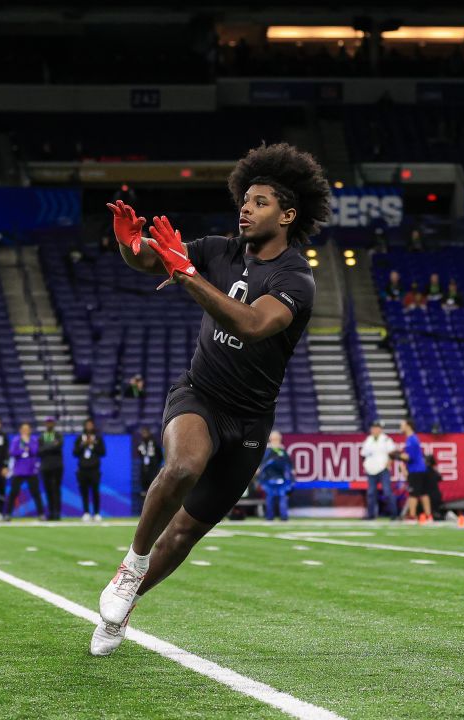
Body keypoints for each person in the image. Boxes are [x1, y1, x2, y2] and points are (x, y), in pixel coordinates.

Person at [92, 142, 325, 656]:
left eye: (260, 201)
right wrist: (131, 247)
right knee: (182, 467)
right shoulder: (219, 250)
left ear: (287, 214)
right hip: (199, 394)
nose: (245, 206)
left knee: (182, 537)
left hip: (249, 421)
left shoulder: (295, 279)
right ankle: (129, 566)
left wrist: (185, 274)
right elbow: (155, 261)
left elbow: (252, 323)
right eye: (244, 198)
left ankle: (124, 607)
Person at [6, 422, 44, 520]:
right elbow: (12, 452)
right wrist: (23, 450)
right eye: (24, 429)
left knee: (36, 492)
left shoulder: (34, 440)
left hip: (31, 470)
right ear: (20, 430)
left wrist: (27, 444)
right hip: (19, 470)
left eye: (27, 429)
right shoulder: (16, 440)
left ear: (30, 430)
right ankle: (8, 514)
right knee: (13, 492)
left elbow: (35, 451)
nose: (25, 431)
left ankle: (41, 514)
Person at [395, 419, 431, 523]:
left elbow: (409, 457)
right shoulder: (414, 438)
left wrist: (397, 456)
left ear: (408, 426)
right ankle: (428, 515)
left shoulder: (411, 439)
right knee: (424, 493)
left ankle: (412, 515)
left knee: (413, 493)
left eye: (402, 425)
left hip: (415, 470)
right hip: (421, 468)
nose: (401, 427)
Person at [360, 420, 397, 520]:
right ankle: (371, 515)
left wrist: (388, 463)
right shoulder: (368, 440)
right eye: (373, 428)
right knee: (371, 493)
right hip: (371, 470)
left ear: (380, 429)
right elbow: (363, 454)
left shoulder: (386, 440)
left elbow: (392, 453)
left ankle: (394, 514)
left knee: (387, 491)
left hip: (383, 469)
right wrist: (365, 466)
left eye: (376, 428)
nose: (374, 430)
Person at [255, 431, 294, 521]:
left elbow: (288, 464)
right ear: (271, 439)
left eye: (277, 438)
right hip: (268, 478)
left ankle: (284, 517)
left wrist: (291, 471)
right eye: (274, 438)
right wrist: (259, 470)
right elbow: (262, 462)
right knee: (270, 497)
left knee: (282, 496)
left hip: (281, 479)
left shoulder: (282, 450)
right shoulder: (267, 450)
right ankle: (269, 517)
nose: (276, 440)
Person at [74, 419, 106, 521]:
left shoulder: (98, 438)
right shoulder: (80, 438)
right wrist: (84, 444)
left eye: (90, 425)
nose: (89, 427)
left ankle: (96, 513)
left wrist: (93, 444)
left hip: (94, 469)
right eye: (87, 425)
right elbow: (75, 453)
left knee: (95, 491)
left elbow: (103, 452)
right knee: (84, 492)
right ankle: (86, 512)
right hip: (82, 469)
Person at [37, 417, 64, 521]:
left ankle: (57, 512)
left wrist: (46, 447)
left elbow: (59, 446)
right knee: (48, 489)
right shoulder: (42, 436)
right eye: (48, 422)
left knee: (56, 489)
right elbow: (38, 451)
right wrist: (51, 445)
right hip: (45, 465)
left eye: (51, 422)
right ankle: (51, 512)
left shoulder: (58, 435)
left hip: (57, 465)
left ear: (54, 424)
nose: (49, 424)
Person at [135, 427, 162, 511]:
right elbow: (139, 455)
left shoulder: (154, 443)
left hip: (153, 470)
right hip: (144, 470)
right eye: (143, 433)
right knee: (144, 490)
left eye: (145, 433)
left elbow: (160, 455)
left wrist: (155, 464)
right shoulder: (141, 444)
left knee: (154, 489)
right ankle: (144, 510)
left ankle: (155, 510)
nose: (144, 435)